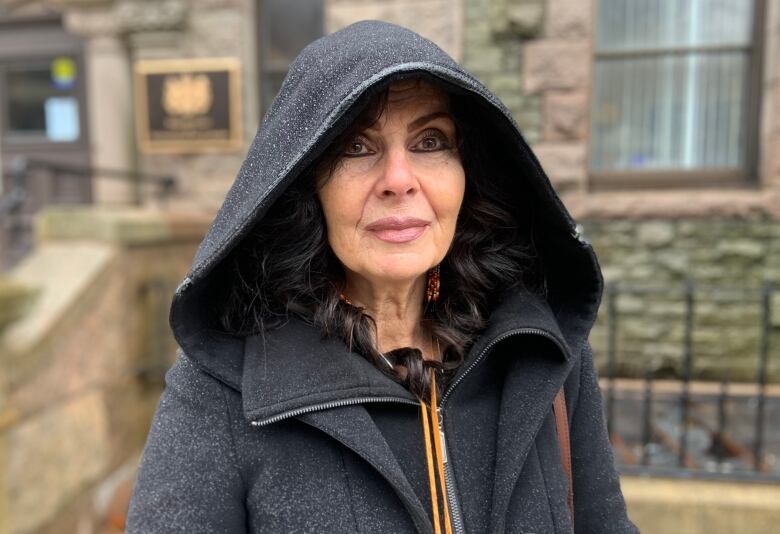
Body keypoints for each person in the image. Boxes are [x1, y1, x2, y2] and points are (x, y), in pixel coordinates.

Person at [126, 20, 638, 534]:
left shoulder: (541, 353)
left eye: (430, 141)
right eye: (356, 148)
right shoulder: (225, 388)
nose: (398, 180)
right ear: (308, 186)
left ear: (469, 173)